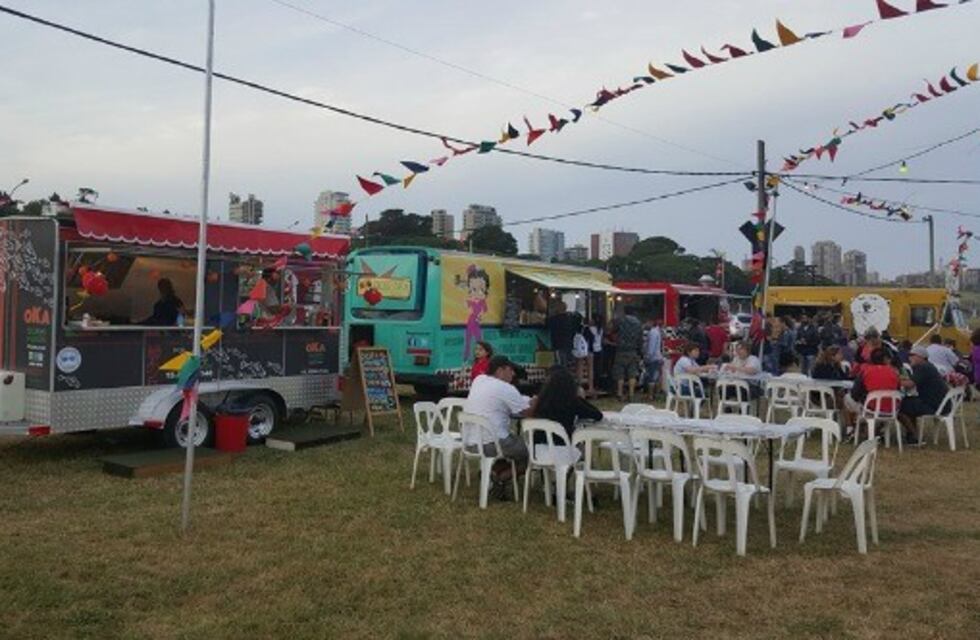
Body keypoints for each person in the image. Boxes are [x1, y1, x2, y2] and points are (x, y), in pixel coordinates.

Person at [463, 355, 532, 489]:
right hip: (492, 444)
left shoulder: (479, 379)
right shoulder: (505, 388)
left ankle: (493, 472)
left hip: (470, 442)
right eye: (510, 370)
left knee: (514, 446)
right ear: (500, 370)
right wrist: (537, 401)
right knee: (533, 452)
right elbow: (528, 412)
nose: (513, 374)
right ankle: (500, 478)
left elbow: (507, 400)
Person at [530, 367, 603, 442]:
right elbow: (597, 415)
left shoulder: (542, 400)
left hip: (538, 445)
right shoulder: (572, 402)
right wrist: (580, 399)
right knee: (581, 442)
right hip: (561, 444)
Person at [898, 345, 949, 443]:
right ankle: (912, 434)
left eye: (912, 355)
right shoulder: (929, 366)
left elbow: (910, 384)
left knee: (899, 406)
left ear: (921, 357)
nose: (909, 358)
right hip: (939, 403)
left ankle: (913, 435)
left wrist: (892, 380)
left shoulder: (922, 367)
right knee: (908, 403)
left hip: (933, 406)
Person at [844, 347, 900, 432]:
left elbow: (855, 394)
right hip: (891, 410)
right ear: (885, 359)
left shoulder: (865, 372)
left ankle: (850, 428)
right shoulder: (894, 372)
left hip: (871, 410)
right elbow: (898, 390)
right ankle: (877, 429)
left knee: (847, 398)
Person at [611, 308, 643, 401]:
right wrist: (640, 351)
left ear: (625, 312)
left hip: (621, 350)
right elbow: (640, 339)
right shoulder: (638, 323)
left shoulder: (620, 320)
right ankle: (631, 394)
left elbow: (613, 330)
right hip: (633, 351)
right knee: (632, 373)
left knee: (620, 372)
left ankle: (620, 394)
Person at [642, 318, 665, 400]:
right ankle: (657, 394)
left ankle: (650, 395)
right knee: (657, 376)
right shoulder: (658, 332)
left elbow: (651, 347)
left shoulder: (652, 332)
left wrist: (648, 356)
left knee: (651, 377)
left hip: (653, 357)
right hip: (658, 357)